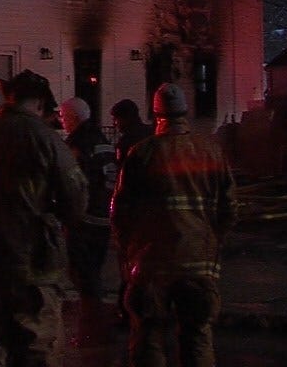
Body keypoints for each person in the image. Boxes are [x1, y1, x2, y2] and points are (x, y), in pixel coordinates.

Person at [0, 69, 88, 367]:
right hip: (32, 266)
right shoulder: (45, 138)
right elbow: (75, 199)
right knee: (37, 346)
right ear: (40, 103)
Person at [111, 83, 237, 367]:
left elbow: (121, 212)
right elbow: (229, 209)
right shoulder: (211, 152)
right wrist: (211, 242)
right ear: (185, 112)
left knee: (148, 336)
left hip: (151, 263)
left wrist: (128, 253)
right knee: (197, 337)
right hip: (198, 263)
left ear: (156, 115)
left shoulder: (141, 154)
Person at [59, 97, 118, 347]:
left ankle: (90, 332)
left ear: (72, 118)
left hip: (84, 220)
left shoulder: (76, 144)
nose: (62, 122)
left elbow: (70, 183)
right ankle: (97, 328)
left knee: (84, 276)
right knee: (93, 273)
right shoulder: (103, 141)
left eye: (63, 117)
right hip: (104, 217)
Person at [110, 97, 154, 324]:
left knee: (129, 262)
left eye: (116, 120)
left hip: (134, 211)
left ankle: (129, 309)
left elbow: (122, 180)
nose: (116, 125)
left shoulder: (128, 142)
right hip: (154, 211)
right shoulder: (152, 135)